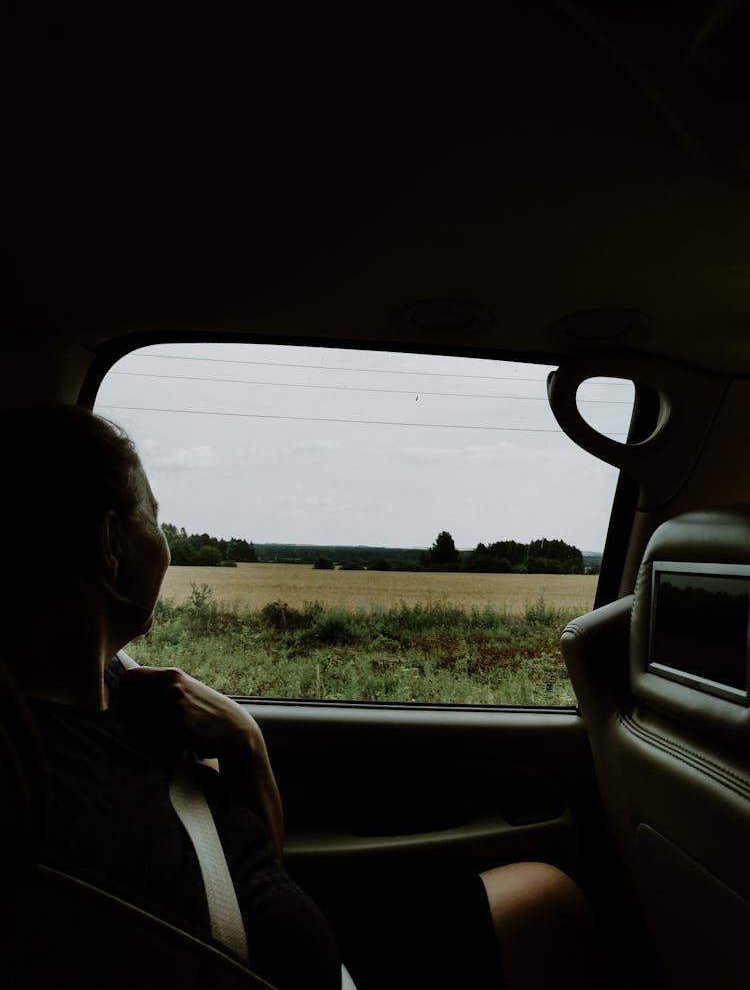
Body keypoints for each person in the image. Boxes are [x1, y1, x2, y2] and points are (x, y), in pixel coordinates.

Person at [0, 403, 596, 989]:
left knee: (547, 900)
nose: (165, 545)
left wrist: (245, 742)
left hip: (284, 950)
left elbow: (242, 871)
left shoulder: (119, 691)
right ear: (112, 544)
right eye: (154, 521)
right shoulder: (28, 776)